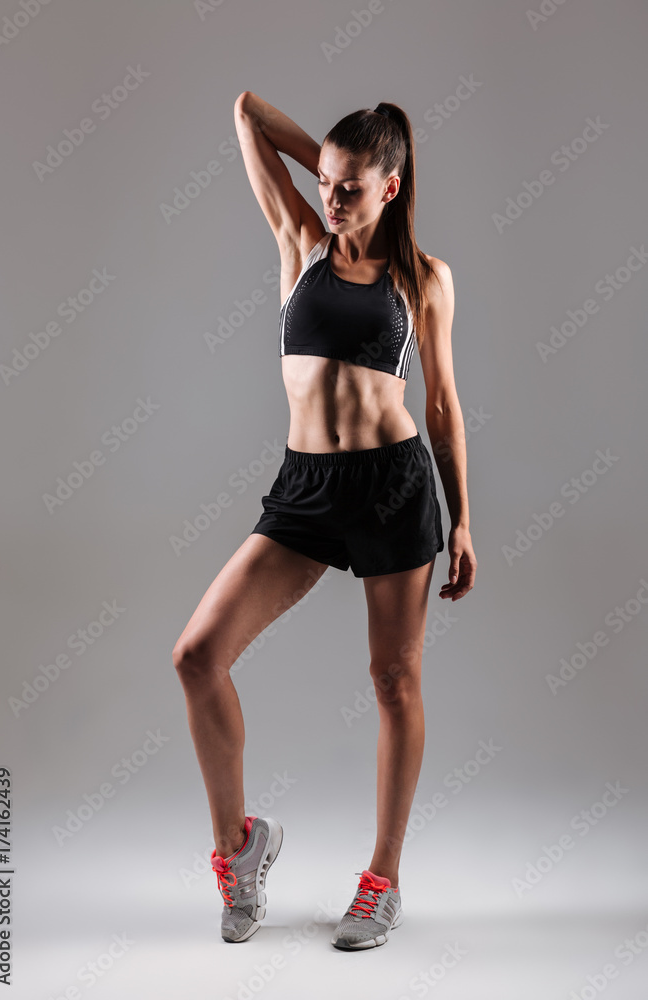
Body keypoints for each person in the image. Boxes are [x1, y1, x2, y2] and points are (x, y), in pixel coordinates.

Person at [172, 92, 477, 950]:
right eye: (327, 183)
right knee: (197, 656)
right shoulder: (301, 243)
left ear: (391, 187)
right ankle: (239, 849)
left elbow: (445, 406)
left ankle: (380, 883)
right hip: (305, 488)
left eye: (352, 188)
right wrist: (325, 163)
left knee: (393, 681)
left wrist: (460, 522)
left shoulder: (423, 277)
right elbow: (243, 114)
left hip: (393, 488)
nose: (333, 200)